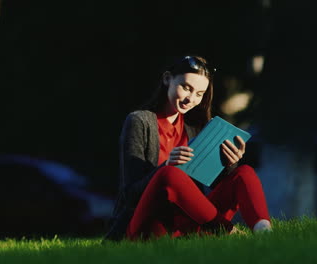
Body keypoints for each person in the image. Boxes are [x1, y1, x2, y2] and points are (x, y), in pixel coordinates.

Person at [104, 56, 271, 241]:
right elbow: (130, 193)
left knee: (244, 172)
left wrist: (229, 163)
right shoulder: (139, 121)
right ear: (167, 79)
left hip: (187, 226)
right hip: (147, 227)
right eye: (186, 88)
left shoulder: (194, 126)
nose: (191, 99)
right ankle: (227, 231)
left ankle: (264, 231)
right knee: (169, 174)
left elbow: (211, 183)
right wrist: (167, 165)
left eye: (199, 94)